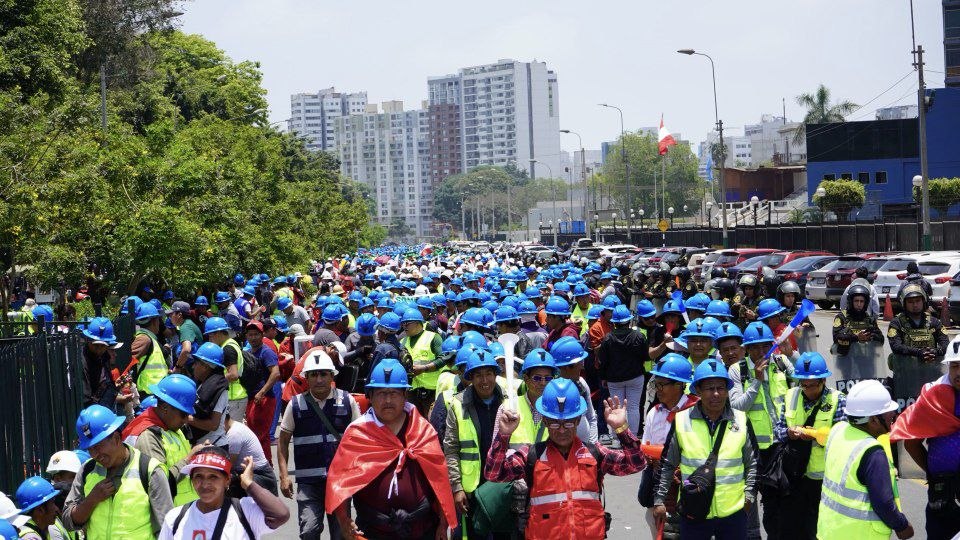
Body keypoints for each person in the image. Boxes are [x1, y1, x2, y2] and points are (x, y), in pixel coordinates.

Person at [485, 378, 647, 539]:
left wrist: (621, 429)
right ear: (545, 421)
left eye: (568, 423)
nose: (562, 430)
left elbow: (637, 464)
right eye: (555, 423)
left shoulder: (594, 452)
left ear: (578, 421)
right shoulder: (532, 455)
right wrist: (503, 435)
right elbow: (493, 474)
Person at [324, 358, 457, 540]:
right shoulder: (356, 433)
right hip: (372, 531)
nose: (387, 400)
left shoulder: (423, 430)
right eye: (381, 393)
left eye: (394, 393)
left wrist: (443, 522)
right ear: (370, 396)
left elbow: (439, 480)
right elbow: (340, 482)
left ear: (405, 395)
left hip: (422, 530)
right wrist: (344, 520)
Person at [654, 359, 758, 540]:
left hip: (733, 512)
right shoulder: (682, 420)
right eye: (710, 388)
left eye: (721, 388)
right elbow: (667, 464)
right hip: (693, 510)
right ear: (698, 391)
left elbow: (753, 463)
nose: (716, 394)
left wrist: (749, 496)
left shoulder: (741, 420)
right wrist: (659, 500)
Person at [277, 350, 360, 540]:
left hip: (339, 483)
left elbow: (360, 440)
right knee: (308, 531)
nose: (319, 379)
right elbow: (283, 441)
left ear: (332, 376)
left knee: (341, 534)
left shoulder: (347, 401)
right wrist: (283, 475)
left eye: (323, 374)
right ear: (306, 378)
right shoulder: (295, 405)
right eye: (313, 375)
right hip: (309, 484)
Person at [817, 380, 913, 540]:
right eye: (887, 411)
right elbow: (883, 503)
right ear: (874, 420)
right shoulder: (872, 451)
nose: (893, 414)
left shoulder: (838, 430)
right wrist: (902, 525)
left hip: (829, 532)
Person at [62, 404, 173, 539]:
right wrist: (92, 500)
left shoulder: (150, 470)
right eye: (90, 449)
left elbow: (166, 529)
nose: (95, 454)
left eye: (98, 446)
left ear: (116, 438)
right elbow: (68, 521)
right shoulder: (87, 470)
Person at [729, 321, 793, 539]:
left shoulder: (781, 362)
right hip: (752, 448)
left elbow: (803, 385)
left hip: (780, 446)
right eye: (755, 347)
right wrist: (756, 382)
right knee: (748, 499)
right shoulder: (737, 370)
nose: (761, 351)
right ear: (746, 349)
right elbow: (738, 406)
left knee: (776, 503)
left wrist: (792, 355)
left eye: (765, 346)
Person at [894, 335, 960, 540]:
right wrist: (933, 474)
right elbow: (911, 443)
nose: (959, 372)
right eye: (954, 366)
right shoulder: (933, 396)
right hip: (943, 495)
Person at [774, 352, 846, 540]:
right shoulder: (790, 396)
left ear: (823, 381)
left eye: (813, 385)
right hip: (794, 476)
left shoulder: (837, 400)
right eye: (803, 385)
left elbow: (842, 440)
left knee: (820, 529)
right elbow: (778, 430)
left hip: (823, 479)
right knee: (793, 530)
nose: (808, 390)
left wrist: (815, 436)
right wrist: (789, 433)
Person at [159, 449, 290, 539]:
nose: (205, 484)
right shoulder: (175, 517)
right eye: (198, 476)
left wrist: (249, 484)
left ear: (227, 480)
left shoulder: (245, 511)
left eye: (213, 477)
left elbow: (281, 514)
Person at [443, 351, 506, 539]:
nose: (484, 380)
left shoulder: (508, 401)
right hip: (473, 490)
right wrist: (457, 487)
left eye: (488, 374)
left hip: (503, 486)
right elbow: (451, 449)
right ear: (470, 378)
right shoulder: (458, 405)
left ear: (496, 375)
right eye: (478, 375)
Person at [638, 354, 698, 540]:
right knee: (654, 520)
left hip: (690, 483)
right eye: (656, 384)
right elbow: (645, 446)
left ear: (679, 385)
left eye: (662, 385)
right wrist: (651, 460)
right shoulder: (654, 413)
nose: (658, 390)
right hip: (661, 483)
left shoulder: (697, 410)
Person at [121, 374, 201, 506]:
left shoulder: (170, 426)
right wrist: (189, 459)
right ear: (165, 408)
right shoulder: (147, 436)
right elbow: (159, 484)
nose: (186, 420)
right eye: (183, 414)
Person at [888, 284, 949, 403]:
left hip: (931, 375)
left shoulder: (934, 322)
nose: (915, 305)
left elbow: (946, 345)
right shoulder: (896, 323)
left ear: (923, 301)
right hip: (906, 376)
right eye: (911, 302)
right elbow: (896, 346)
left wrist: (935, 352)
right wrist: (918, 352)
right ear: (904, 303)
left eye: (918, 301)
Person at [597, 304, 650, 435]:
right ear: (629, 320)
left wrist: (603, 377)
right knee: (633, 407)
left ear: (614, 322)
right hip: (635, 377)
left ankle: (617, 439)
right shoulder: (639, 336)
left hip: (614, 379)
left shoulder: (608, 338)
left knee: (617, 408)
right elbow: (646, 356)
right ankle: (633, 437)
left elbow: (603, 361)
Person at [549, 336, 599, 444]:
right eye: (579, 363)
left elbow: (591, 417)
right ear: (567, 367)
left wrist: (592, 445)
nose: (582, 367)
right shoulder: (550, 391)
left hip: (586, 449)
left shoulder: (582, 384)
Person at [243, 321, 281, 462]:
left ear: (262, 335)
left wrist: (262, 392)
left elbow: (275, 373)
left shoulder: (266, 352)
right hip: (251, 398)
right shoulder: (248, 353)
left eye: (256, 334)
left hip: (264, 400)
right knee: (254, 435)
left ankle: (266, 466)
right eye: (250, 335)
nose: (253, 338)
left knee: (261, 436)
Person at [203, 317, 247, 423]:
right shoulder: (230, 344)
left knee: (231, 430)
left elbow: (233, 374)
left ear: (218, 333)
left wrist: (213, 383)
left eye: (210, 335)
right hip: (234, 396)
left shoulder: (228, 349)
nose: (209, 339)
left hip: (234, 397)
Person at [188, 343, 230, 447]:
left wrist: (186, 418)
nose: (193, 367)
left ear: (205, 366)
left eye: (196, 363)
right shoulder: (201, 384)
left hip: (214, 446)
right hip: (200, 444)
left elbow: (213, 424)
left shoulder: (220, 390)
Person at [79, 317, 124, 410]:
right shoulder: (82, 361)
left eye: (103, 345)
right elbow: (85, 397)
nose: (99, 349)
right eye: (96, 345)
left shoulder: (104, 357)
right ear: (88, 340)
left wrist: (115, 387)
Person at [833, 284, 884, 357]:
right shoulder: (841, 317)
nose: (859, 304)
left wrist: (871, 336)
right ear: (851, 302)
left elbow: (881, 340)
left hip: (866, 359)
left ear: (865, 303)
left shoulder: (870, 319)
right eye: (856, 301)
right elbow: (836, 337)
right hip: (846, 359)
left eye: (862, 301)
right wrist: (856, 337)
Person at [131, 303, 170, 397]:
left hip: (156, 392)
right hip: (148, 394)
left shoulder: (150, 339)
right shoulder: (144, 339)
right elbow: (126, 363)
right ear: (154, 321)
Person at [168, 301, 203, 373]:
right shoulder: (187, 323)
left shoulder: (185, 327)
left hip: (194, 368)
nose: (169, 317)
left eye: (171, 314)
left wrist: (177, 367)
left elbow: (186, 349)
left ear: (179, 315)